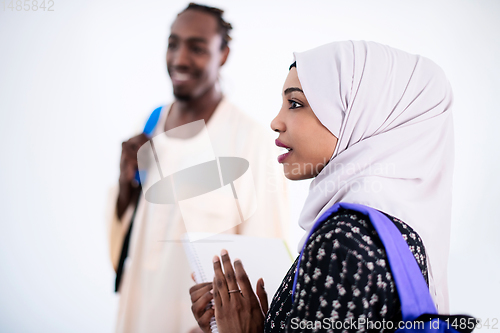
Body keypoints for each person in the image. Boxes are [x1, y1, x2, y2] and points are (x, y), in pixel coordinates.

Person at [189, 40, 455, 332]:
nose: (276, 122)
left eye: (295, 104)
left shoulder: (342, 240)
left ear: (359, 112)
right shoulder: (398, 229)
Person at [106, 3, 289, 333]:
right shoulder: (149, 127)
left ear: (223, 54)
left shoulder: (252, 143)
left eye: (197, 48)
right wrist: (125, 186)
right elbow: (125, 247)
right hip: (137, 318)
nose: (179, 59)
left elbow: (264, 273)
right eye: (173, 44)